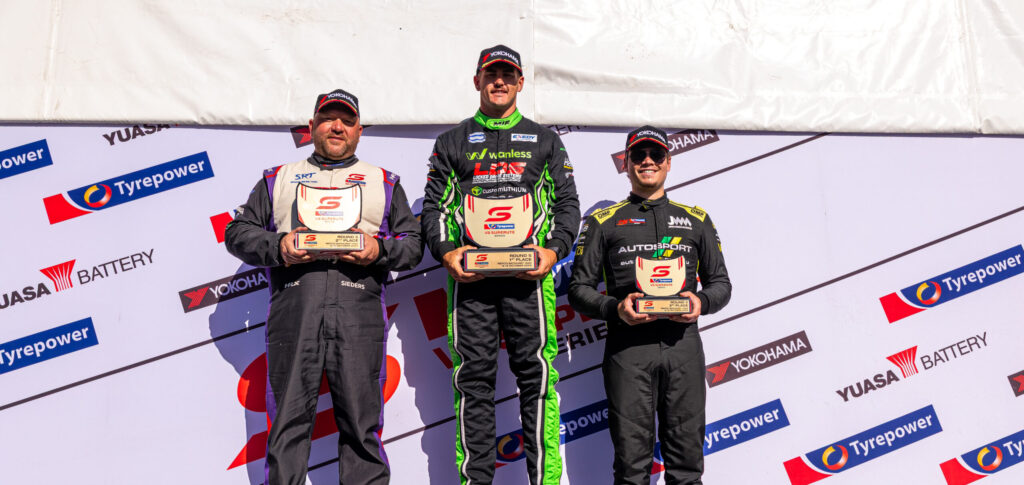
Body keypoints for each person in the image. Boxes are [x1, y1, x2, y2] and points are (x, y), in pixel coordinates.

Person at [224, 89, 422, 485]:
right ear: (312, 126)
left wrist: (378, 250)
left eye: (347, 121)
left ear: (359, 131)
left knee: (361, 426)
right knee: (287, 426)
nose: (337, 127)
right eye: (329, 118)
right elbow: (237, 233)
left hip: (359, 312)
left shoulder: (383, 181)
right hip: (295, 309)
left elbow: (413, 246)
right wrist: (279, 246)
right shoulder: (278, 179)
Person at [421, 45, 580, 485]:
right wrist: (447, 252)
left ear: (520, 83)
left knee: (538, 382)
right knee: (472, 383)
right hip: (470, 282)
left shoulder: (544, 140)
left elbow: (567, 205)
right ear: (477, 80)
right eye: (491, 74)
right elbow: (434, 207)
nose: (499, 82)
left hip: (529, 281)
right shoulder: (451, 141)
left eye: (508, 75)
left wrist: (553, 251)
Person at [568, 126, 732, 485]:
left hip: (683, 347)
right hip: (628, 352)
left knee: (687, 467)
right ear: (626, 164)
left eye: (656, 154)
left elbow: (721, 285)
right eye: (638, 155)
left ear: (668, 162)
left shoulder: (696, 219)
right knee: (631, 469)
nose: (647, 161)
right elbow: (578, 289)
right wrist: (615, 309)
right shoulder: (602, 222)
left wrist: (701, 302)